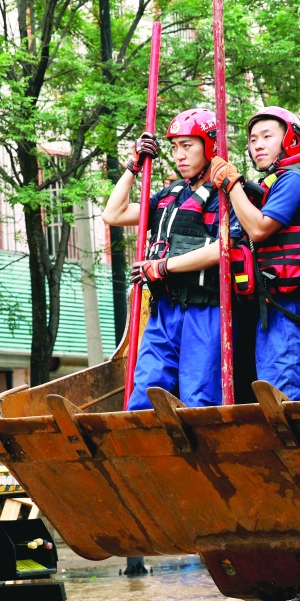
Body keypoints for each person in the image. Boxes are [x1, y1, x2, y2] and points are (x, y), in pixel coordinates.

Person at [103, 108, 240, 410]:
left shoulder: (228, 192)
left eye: (187, 145)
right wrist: (133, 166)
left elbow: (224, 246)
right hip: (164, 309)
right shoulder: (170, 195)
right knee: (144, 394)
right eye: (174, 147)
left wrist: (163, 266)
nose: (179, 155)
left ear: (210, 145)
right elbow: (112, 214)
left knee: (199, 399)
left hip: (206, 310)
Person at [208, 107, 300, 401]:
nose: (258, 145)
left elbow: (260, 230)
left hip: (296, 305)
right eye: (253, 140)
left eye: (267, 136)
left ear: (289, 140)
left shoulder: (295, 179)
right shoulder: (273, 182)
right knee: (273, 388)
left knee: (287, 393)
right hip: (278, 303)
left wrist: (231, 185)